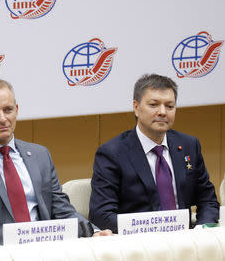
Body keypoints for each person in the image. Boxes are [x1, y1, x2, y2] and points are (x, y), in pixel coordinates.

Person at [0, 79, 112, 247]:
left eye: (8, 109)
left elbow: (62, 210)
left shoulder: (39, 155)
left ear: (17, 110)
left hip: (46, 252)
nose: (3, 118)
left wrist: (93, 232)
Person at [89, 74, 219, 233]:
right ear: (136, 107)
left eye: (170, 106)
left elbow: (208, 200)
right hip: (139, 245)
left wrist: (201, 230)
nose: (163, 112)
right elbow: (101, 214)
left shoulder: (188, 145)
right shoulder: (112, 153)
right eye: (154, 105)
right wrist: (147, 230)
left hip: (187, 242)